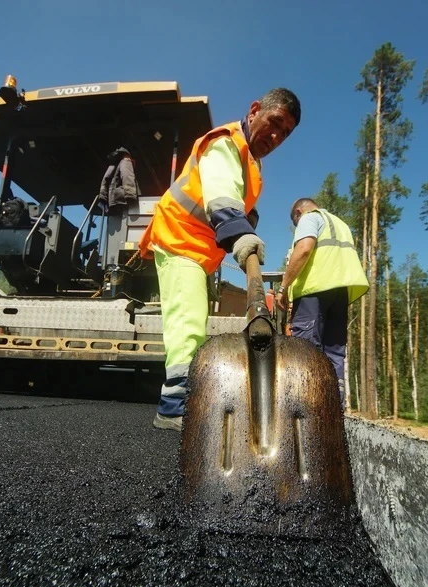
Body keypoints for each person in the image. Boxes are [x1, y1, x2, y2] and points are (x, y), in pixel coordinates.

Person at [138, 88, 302, 431]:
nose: (276, 136)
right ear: (254, 110)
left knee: (193, 319)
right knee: (189, 320)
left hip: (200, 250)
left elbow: (239, 201)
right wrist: (239, 231)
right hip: (178, 235)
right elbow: (220, 191)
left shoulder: (251, 166)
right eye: (274, 123)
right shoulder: (226, 143)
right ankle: (174, 408)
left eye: (285, 134)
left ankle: (189, 400)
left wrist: (249, 223)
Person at [275, 198, 369, 406]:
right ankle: (334, 407)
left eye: (295, 222)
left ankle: (305, 404)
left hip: (313, 290)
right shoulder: (341, 224)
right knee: (334, 351)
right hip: (340, 293)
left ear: (298, 212)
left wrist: (284, 287)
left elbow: (305, 249)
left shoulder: (310, 218)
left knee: (305, 348)